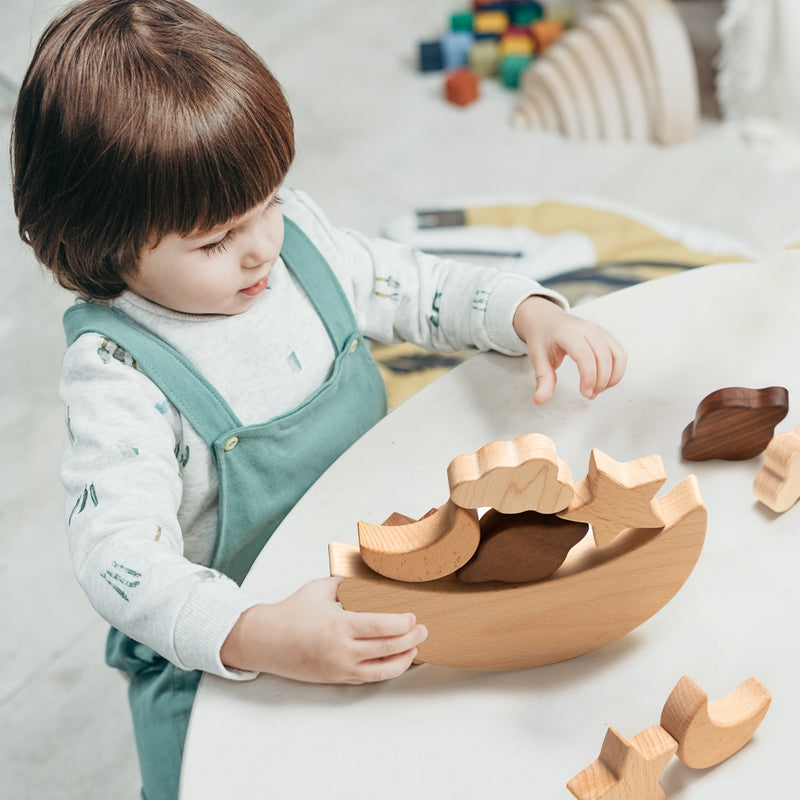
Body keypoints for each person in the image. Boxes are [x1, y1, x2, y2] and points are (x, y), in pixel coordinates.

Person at [12, 1, 626, 797]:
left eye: (267, 201)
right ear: (102, 242)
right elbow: (117, 559)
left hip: (377, 569)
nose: (262, 243)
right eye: (214, 240)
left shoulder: (296, 243)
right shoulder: (120, 372)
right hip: (227, 645)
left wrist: (526, 312)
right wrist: (255, 634)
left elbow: (420, 286)